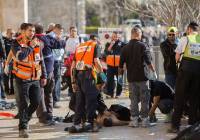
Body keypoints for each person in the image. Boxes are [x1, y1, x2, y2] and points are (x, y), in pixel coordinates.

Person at [11, 23, 47, 138]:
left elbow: (41, 61)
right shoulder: (16, 43)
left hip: (35, 78)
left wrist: (44, 76)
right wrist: (30, 46)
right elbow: (20, 57)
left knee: (36, 102)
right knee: (23, 105)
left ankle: (24, 119)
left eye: (33, 31)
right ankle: (23, 129)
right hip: (21, 79)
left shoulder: (37, 43)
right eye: (30, 31)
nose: (32, 33)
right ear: (23, 31)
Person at [119, 27, 156, 128]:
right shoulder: (143, 45)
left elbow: (120, 65)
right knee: (145, 98)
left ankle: (134, 121)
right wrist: (154, 71)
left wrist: (119, 77)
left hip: (131, 78)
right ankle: (145, 121)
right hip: (143, 77)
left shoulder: (125, 48)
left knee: (133, 99)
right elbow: (149, 61)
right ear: (138, 34)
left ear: (131, 34)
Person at [68, 38, 106, 133]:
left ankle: (76, 124)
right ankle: (90, 123)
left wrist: (73, 82)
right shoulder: (94, 45)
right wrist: (102, 76)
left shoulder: (79, 47)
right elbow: (96, 61)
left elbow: (72, 66)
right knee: (91, 100)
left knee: (80, 101)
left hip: (79, 76)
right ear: (95, 40)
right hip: (89, 76)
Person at [168, 22, 200, 133]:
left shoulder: (185, 38)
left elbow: (177, 56)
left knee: (179, 98)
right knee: (194, 99)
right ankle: (193, 125)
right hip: (198, 72)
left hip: (185, 70)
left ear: (189, 29)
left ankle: (175, 126)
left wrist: (178, 64)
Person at [104, 32, 125, 98]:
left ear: (118, 37)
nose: (114, 37)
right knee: (110, 80)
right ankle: (110, 93)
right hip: (110, 65)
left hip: (119, 66)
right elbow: (106, 52)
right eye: (113, 36)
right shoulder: (108, 44)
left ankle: (118, 94)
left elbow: (126, 53)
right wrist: (111, 45)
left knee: (120, 80)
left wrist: (125, 64)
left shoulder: (122, 44)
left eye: (115, 36)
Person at [64, 26, 84, 97]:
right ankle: (70, 90)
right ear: (70, 31)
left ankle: (78, 90)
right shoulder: (67, 39)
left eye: (75, 31)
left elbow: (83, 49)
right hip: (69, 60)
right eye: (72, 31)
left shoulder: (80, 39)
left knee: (78, 74)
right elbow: (65, 50)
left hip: (79, 59)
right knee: (69, 75)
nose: (74, 32)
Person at [50, 24, 65, 108]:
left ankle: (55, 100)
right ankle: (54, 100)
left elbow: (63, 46)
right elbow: (56, 50)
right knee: (55, 81)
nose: (61, 33)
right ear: (55, 29)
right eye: (61, 31)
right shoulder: (51, 37)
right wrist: (59, 41)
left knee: (57, 80)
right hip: (53, 61)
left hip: (58, 61)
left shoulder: (60, 38)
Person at [3, 28, 15, 95]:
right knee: (6, 76)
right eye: (11, 33)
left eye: (13, 34)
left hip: (14, 61)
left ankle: (12, 90)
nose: (12, 35)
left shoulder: (14, 41)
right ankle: (7, 90)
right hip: (6, 61)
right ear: (7, 33)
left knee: (13, 77)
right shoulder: (4, 41)